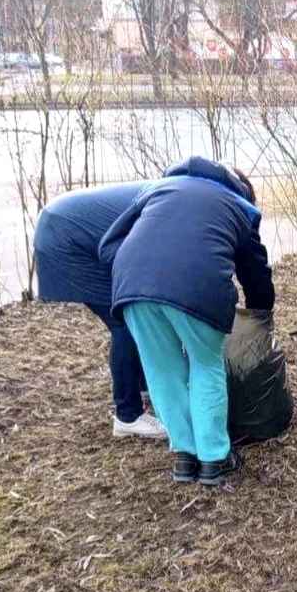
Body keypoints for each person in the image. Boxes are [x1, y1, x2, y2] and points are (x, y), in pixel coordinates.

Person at [98, 156, 273, 487]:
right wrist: (261, 314)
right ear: (242, 191)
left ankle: (184, 456)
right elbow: (255, 272)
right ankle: (214, 459)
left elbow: (108, 245)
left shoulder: (158, 189)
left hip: (133, 287)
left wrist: (140, 273)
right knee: (205, 364)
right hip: (197, 287)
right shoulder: (238, 206)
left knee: (162, 370)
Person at [34, 182, 167, 440]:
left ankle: (140, 386)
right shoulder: (170, 203)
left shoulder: (173, 191)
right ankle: (128, 416)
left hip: (64, 226)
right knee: (126, 320)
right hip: (65, 238)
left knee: (132, 313)